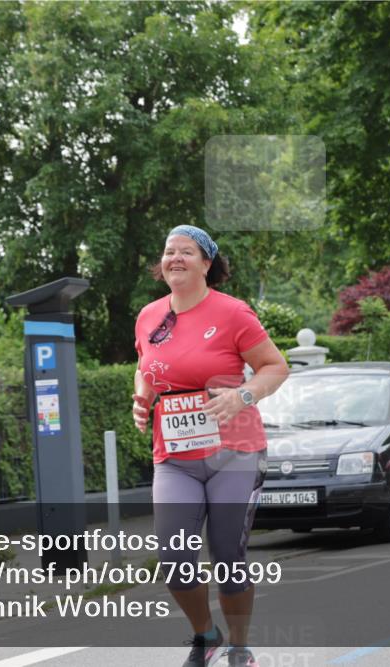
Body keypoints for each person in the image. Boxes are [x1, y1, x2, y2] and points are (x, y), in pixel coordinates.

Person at [131, 225, 287, 667]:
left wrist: (243, 395)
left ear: (206, 264)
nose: (175, 258)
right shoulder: (149, 316)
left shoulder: (233, 312)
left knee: (227, 553)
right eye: (168, 252)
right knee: (175, 555)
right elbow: (146, 367)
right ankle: (206, 635)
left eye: (187, 252)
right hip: (175, 457)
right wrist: (142, 400)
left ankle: (240, 646)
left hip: (234, 451)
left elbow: (275, 367)